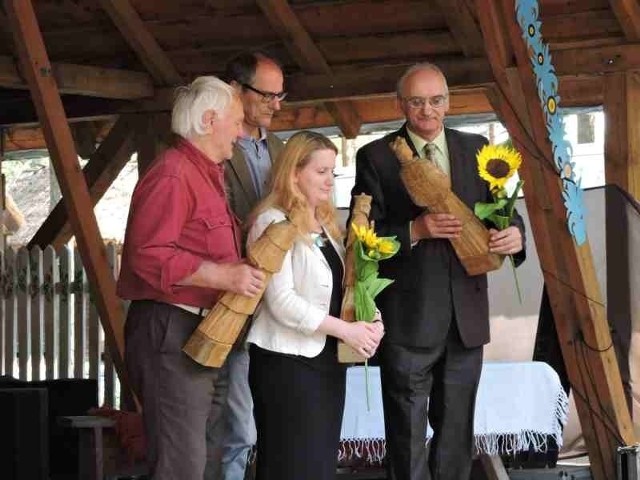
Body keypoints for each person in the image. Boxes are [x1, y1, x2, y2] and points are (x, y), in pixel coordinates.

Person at [349, 63, 526, 480]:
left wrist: (515, 237)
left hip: (467, 320)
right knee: (406, 435)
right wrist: (415, 230)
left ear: (448, 102)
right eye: (416, 101)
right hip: (408, 321)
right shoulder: (375, 156)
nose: (427, 110)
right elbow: (360, 238)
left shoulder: (478, 148)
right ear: (400, 104)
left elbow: (506, 216)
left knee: (456, 435)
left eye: (436, 100)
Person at [117, 76, 265, 480]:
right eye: (235, 121)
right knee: (180, 465)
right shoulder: (173, 173)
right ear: (209, 120)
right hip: (171, 330)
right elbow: (147, 255)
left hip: (202, 333)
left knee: (207, 461)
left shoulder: (205, 172)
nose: (241, 130)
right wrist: (222, 274)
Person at [246, 130, 385, 480]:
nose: (330, 180)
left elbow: (343, 288)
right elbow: (281, 302)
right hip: (286, 366)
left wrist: (370, 318)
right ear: (294, 173)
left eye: (332, 171)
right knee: (291, 466)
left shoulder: (325, 224)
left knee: (319, 467)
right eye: (321, 171)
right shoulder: (270, 222)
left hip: (324, 363)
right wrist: (346, 330)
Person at [204, 51, 286, 480]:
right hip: (232, 297)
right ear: (236, 90)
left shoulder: (280, 147)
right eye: (267, 95)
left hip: (279, 301)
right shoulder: (212, 145)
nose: (276, 104)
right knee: (237, 423)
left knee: (268, 417)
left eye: (280, 95)